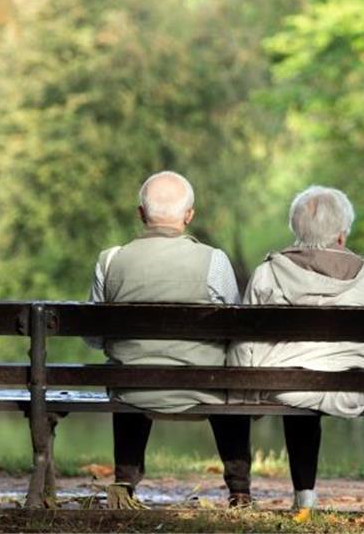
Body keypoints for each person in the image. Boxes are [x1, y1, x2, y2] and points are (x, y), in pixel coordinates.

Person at [229, 185, 364, 513]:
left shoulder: (268, 273)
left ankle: (304, 495)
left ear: (296, 232)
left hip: (292, 384)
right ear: (342, 235)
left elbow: (247, 336)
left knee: (299, 374)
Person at [87, 170, 252, 509]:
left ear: (141, 214)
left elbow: (93, 337)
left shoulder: (110, 260)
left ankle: (125, 482)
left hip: (131, 388)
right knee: (229, 374)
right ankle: (239, 489)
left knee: (129, 367)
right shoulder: (214, 261)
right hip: (204, 386)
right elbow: (235, 331)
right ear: (189, 216)